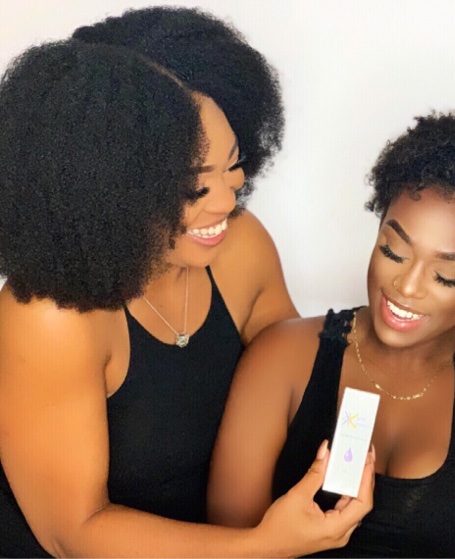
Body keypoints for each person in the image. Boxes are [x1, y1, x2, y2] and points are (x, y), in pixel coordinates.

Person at [0, 34, 373, 558]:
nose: (225, 201)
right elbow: (73, 533)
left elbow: (308, 375)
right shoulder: (52, 316)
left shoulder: (239, 246)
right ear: (112, 188)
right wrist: (265, 546)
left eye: (232, 167)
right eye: (195, 187)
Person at [208, 112, 455, 557]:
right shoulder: (283, 356)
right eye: (393, 251)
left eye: (446, 276)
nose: (406, 287)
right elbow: (229, 543)